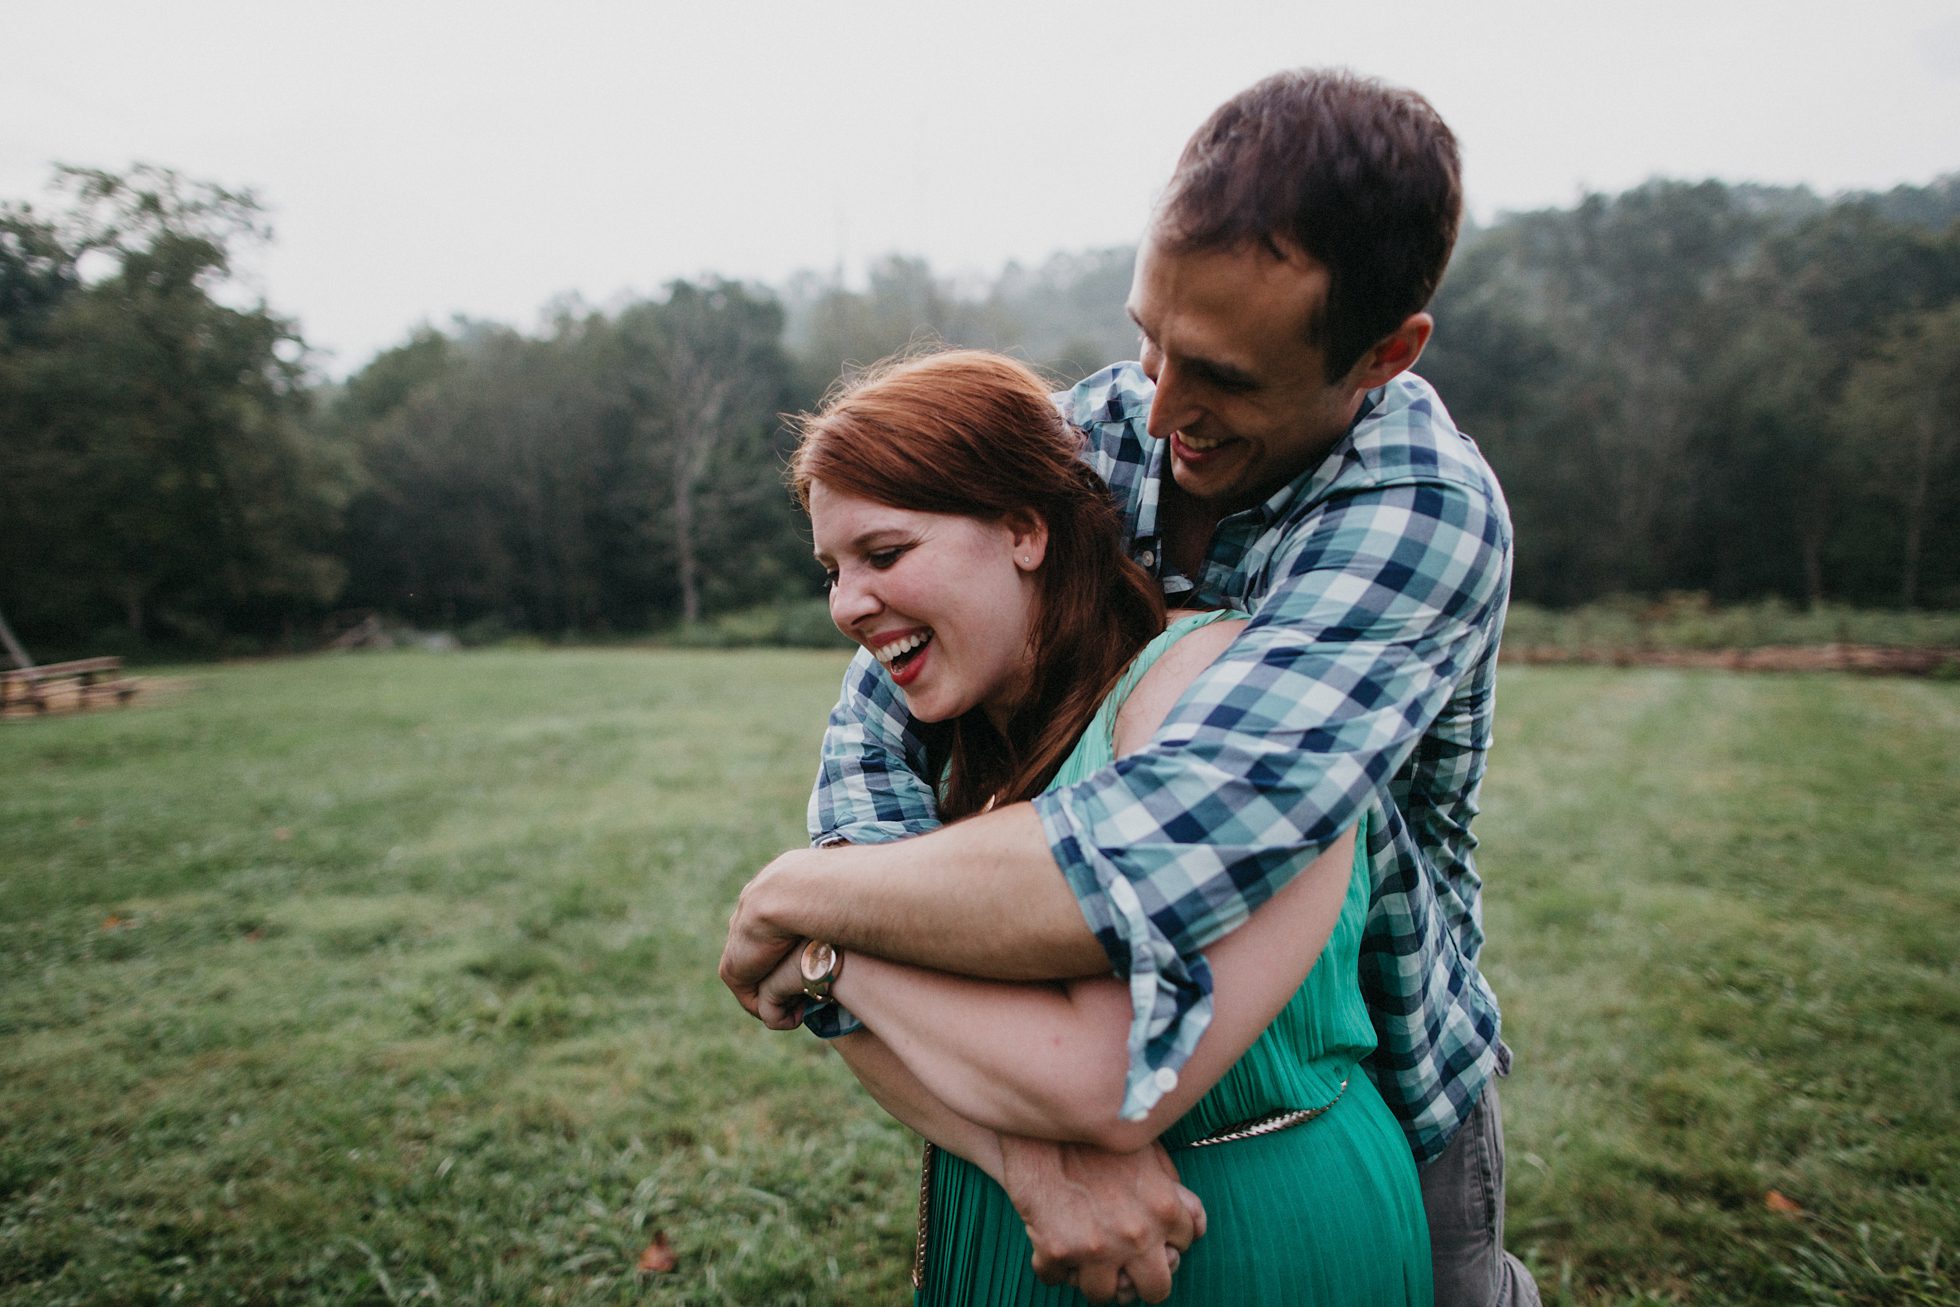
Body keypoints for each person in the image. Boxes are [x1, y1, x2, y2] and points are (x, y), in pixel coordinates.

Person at [724, 68, 1539, 1306]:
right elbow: (875, 738)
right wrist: (1028, 1156)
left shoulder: (1418, 509)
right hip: (1053, 1044)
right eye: (1148, 335)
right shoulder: (1093, 436)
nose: (1157, 410)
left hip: (1369, 1065)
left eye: (1220, 375)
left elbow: (1149, 858)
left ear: (1383, 353)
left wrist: (807, 905)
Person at [762, 347, 1431, 1304]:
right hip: (1011, 1222)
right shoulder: (943, 741)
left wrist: (831, 949)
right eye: (832, 568)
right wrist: (1027, 1161)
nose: (845, 605)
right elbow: (886, 1040)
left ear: (1024, 531)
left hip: (1241, 1237)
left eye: (885, 553)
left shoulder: (1217, 689)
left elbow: (1109, 1076)